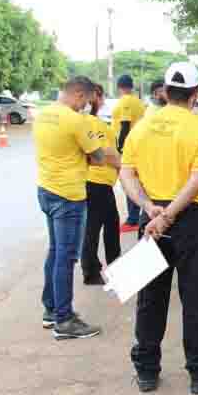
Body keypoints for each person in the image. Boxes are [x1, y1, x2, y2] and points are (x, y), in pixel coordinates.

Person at [119, 62, 198, 395]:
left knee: (149, 297)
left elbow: (126, 173)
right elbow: (197, 179)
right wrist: (168, 215)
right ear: (196, 94)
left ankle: (147, 371)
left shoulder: (142, 126)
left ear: (165, 92)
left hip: (150, 218)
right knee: (196, 295)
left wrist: (148, 207)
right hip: (188, 219)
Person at [34, 76, 113, 340]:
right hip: (69, 195)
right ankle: (64, 320)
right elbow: (100, 158)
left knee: (56, 251)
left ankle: (51, 310)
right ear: (78, 94)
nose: (85, 107)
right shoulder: (75, 120)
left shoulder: (43, 115)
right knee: (66, 257)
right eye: (85, 101)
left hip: (46, 190)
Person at [80, 84, 121, 286]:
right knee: (108, 226)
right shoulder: (97, 125)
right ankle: (110, 271)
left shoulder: (80, 122)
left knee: (92, 226)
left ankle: (92, 269)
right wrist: (123, 166)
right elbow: (107, 154)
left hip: (88, 181)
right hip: (98, 183)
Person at [112, 74, 147, 233]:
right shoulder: (139, 102)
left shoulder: (125, 101)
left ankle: (133, 219)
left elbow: (125, 125)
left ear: (119, 86)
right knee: (136, 181)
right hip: (139, 145)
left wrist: (120, 147)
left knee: (128, 182)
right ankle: (138, 215)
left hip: (128, 148)